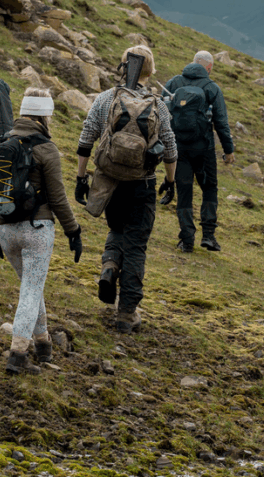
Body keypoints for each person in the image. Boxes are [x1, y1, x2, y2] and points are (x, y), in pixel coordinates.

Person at [74, 45, 177, 334]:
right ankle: (127, 313)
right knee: (136, 246)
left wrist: (81, 177)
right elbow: (169, 147)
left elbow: (86, 137)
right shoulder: (159, 105)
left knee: (117, 230)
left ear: (123, 67)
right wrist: (170, 181)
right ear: (151, 70)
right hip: (142, 184)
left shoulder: (108, 98)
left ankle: (109, 267)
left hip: (109, 183)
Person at [0, 88, 83, 374]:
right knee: (30, 290)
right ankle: (17, 355)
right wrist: (73, 232)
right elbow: (58, 197)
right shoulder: (46, 148)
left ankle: (43, 345)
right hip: (37, 230)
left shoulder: (1, 143)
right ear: (46, 115)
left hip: (5, 232)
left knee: (32, 288)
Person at [163, 50, 235, 253]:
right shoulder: (212, 88)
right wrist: (228, 151)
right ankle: (209, 237)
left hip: (179, 149)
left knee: (184, 193)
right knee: (209, 189)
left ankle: (186, 240)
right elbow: (221, 122)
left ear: (192, 62)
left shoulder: (173, 83)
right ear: (209, 68)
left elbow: (160, 114)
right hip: (204, 149)